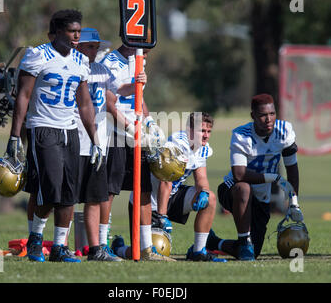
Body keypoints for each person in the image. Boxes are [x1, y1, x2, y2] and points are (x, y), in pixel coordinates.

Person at [7, 9, 101, 263]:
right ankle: (35, 240)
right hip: (43, 127)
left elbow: (84, 104)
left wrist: (95, 139)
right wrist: (15, 136)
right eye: (72, 31)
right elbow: (23, 97)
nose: (76, 37)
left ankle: (59, 247)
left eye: (78, 32)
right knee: (51, 188)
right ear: (57, 32)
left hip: (70, 130)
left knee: (69, 191)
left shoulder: (81, 61)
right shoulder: (37, 55)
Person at [111, 112, 227, 262]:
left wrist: (203, 191)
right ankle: (118, 248)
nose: (206, 135)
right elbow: (166, 181)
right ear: (189, 130)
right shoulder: (177, 143)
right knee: (146, 252)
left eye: (208, 131)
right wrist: (162, 216)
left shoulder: (203, 148)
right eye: (202, 131)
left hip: (172, 196)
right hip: (150, 202)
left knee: (210, 198)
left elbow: (202, 178)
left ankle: (198, 251)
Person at [206, 93, 303, 261]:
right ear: (253, 116)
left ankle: (213, 242)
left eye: (272, 114)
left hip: (261, 197)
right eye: (263, 115)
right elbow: (239, 174)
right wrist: (274, 178)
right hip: (233, 189)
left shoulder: (284, 131)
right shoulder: (241, 135)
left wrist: (294, 202)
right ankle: (244, 241)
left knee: (254, 251)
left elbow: (292, 169)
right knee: (244, 188)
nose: (268, 119)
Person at [99, 40, 172, 261]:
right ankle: (102, 245)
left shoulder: (138, 60)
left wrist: (149, 122)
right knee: (109, 191)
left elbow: (137, 98)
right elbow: (110, 101)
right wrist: (131, 127)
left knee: (144, 189)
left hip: (137, 135)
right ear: (132, 44)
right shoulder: (110, 62)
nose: (146, 57)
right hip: (117, 135)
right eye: (145, 51)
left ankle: (147, 248)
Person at [76, 27, 140, 261]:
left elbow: (116, 93)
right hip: (80, 136)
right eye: (90, 47)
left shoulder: (101, 69)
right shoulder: (74, 68)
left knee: (97, 194)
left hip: (99, 140)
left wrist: (136, 85)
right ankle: (55, 244)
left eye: (96, 47)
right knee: (65, 196)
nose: (94, 52)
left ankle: (98, 247)